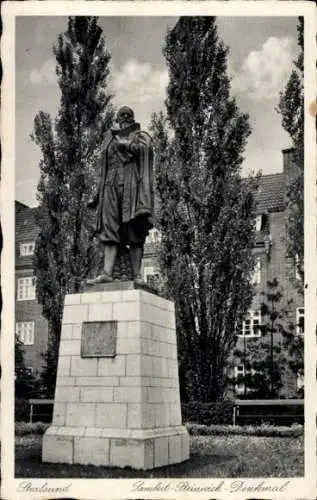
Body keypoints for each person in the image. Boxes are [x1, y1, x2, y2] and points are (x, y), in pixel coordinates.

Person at [87, 106, 154, 285]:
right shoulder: (108, 139)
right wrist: (96, 195)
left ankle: (137, 275)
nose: (125, 117)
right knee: (109, 229)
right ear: (117, 118)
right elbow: (103, 168)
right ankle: (107, 273)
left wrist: (127, 145)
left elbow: (146, 150)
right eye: (121, 115)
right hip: (109, 188)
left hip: (131, 186)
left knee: (134, 229)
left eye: (128, 115)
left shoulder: (140, 135)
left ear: (133, 117)